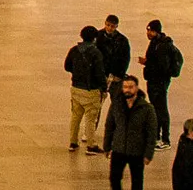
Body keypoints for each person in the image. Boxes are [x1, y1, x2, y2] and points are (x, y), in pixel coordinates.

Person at [103, 74, 159, 190]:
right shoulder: (116, 105)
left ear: (137, 88)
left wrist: (148, 154)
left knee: (137, 181)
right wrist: (107, 146)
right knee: (114, 178)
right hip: (119, 149)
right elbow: (109, 126)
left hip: (137, 151)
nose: (127, 90)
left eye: (130, 87)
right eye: (125, 87)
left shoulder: (147, 108)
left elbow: (152, 133)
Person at [140, 19, 182, 148]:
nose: (148, 33)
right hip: (154, 81)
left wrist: (147, 63)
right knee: (156, 108)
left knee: (161, 110)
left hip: (159, 82)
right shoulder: (155, 43)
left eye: (151, 31)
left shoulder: (162, 46)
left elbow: (162, 67)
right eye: (148, 30)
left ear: (157, 31)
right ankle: (157, 136)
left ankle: (165, 139)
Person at [66, 24, 107, 154]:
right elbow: (99, 73)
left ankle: (73, 142)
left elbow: (67, 66)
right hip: (91, 90)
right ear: (94, 38)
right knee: (90, 118)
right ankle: (91, 145)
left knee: (75, 116)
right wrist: (104, 88)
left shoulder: (74, 50)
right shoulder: (95, 52)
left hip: (76, 88)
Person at [95, 14, 131, 118]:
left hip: (115, 77)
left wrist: (119, 75)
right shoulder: (98, 36)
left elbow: (125, 59)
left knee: (117, 105)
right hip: (101, 76)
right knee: (96, 106)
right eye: (108, 25)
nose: (110, 28)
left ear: (116, 26)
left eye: (112, 26)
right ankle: (91, 130)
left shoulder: (123, 40)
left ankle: (115, 130)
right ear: (105, 23)